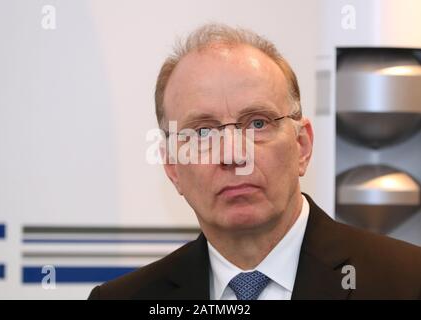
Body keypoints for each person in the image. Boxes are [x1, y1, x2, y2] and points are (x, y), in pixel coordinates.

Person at [89, 23, 421, 300]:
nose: (234, 156)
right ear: (173, 168)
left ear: (302, 146)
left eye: (257, 124)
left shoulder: (407, 281)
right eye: (203, 132)